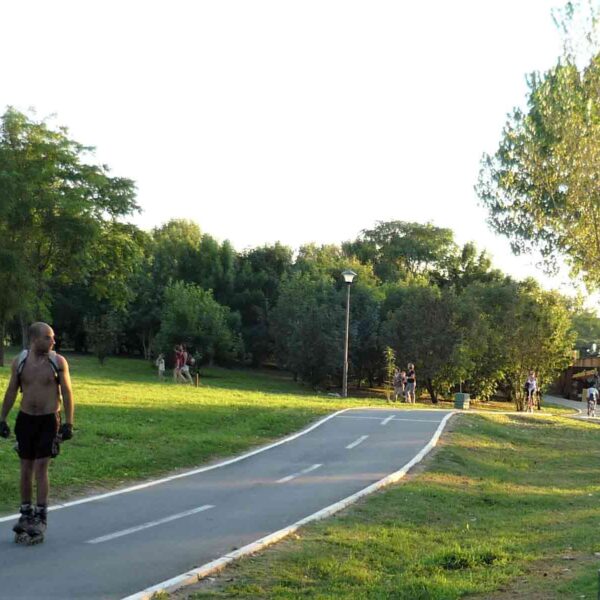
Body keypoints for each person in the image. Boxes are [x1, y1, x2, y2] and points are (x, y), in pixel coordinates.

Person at [0, 322, 74, 544]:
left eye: (53, 337)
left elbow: (67, 392)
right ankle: (25, 513)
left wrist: (69, 423)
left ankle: (40, 516)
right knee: (25, 467)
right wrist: (2, 418)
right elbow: (12, 390)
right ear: (34, 339)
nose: (53, 341)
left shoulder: (57, 362)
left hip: (49, 420)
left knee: (41, 467)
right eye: (48, 337)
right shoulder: (20, 361)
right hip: (26, 420)